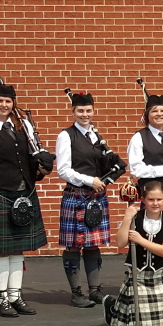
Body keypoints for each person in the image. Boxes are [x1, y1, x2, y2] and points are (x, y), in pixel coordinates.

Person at [0, 82, 49, 318]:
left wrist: (42, 169)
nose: (4, 105)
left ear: (13, 103)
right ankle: (1, 298)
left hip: (24, 194)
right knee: (1, 251)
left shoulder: (22, 126)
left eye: (8, 101)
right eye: (0, 101)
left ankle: (16, 296)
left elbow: (30, 159)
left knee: (18, 251)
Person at [55, 91, 117, 308]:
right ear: (73, 111)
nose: (85, 114)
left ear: (93, 111)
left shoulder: (96, 136)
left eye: (88, 110)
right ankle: (76, 293)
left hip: (96, 196)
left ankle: (95, 290)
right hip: (76, 195)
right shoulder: (66, 135)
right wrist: (89, 180)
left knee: (93, 245)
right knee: (74, 246)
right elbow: (63, 170)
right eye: (80, 110)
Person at [106, 181, 163, 326]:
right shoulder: (136, 219)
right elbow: (120, 242)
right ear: (143, 200)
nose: (155, 203)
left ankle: (115, 307)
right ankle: (111, 309)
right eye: (151, 199)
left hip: (159, 277)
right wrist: (127, 218)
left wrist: (140, 240)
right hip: (138, 276)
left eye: (159, 199)